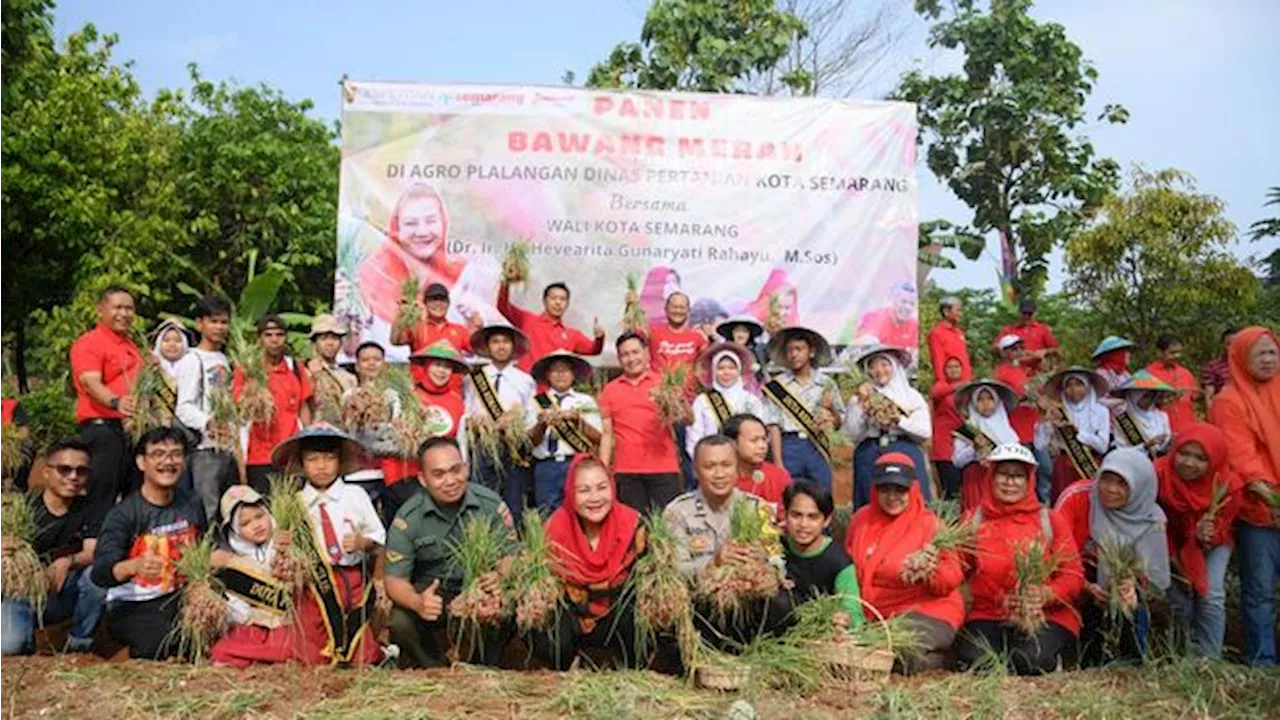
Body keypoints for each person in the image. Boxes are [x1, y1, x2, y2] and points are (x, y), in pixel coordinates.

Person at [385, 437, 516, 668]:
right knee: (399, 621)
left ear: (466, 468)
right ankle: (435, 668)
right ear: (423, 480)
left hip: (478, 589)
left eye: (456, 470)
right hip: (434, 593)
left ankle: (482, 667)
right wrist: (417, 602)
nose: (450, 481)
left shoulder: (490, 504)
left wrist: (500, 576)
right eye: (439, 474)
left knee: (507, 606)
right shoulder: (409, 517)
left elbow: (512, 554)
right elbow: (394, 580)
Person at [954, 444, 1084, 676]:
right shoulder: (973, 520)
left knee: (1030, 661)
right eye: (1003, 474)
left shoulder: (1049, 520)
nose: (1009, 482)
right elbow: (956, 569)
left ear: (1029, 481)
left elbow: (1073, 574)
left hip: (1045, 615)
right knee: (976, 662)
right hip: (989, 613)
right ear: (991, 477)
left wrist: (1045, 594)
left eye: (1018, 476)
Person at [271, 424, 384, 665]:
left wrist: (362, 542)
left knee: (362, 655)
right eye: (312, 459)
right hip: (313, 588)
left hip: (352, 582)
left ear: (340, 461)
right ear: (301, 464)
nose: (321, 466)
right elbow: (280, 552)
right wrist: (282, 544)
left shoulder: (356, 495)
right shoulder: (294, 503)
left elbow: (378, 537)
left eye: (329, 458)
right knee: (312, 653)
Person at [664, 435, 793, 647]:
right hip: (700, 605)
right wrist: (713, 564)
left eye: (726, 465)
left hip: (749, 603)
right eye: (710, 466)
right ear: (695, 471)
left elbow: (778, 564)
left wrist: (757, 569)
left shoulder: (757, 508)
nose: (719, 474)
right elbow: (674, 571)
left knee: (783, 603)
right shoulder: (677, 512)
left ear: (738, 469)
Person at [91, 426, 207, 660]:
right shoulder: (123, 514)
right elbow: (100, 573)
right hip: (134, 604)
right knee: (162, 641)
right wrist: (133, 566)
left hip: (179, 595)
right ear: (141, 462)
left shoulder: (192, 502)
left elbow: (204, 546)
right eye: (158, 454)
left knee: (213, 627)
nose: (168, 461)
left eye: (175, 454)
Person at [845, 454, 965, 674]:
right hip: (876, 615)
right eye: (884, 489)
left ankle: (943, 657)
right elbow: (847, 568)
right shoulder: (861, 521)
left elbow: (951, 580)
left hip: (926, 611)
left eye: (900, 490)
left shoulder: (931, 526)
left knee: (893, 651)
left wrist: (931, 571)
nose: (892, 497)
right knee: (859, 649)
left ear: (913, 489)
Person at [1208, 326, 1280, 666]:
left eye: (1272, 352)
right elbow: (1241, 458)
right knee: (1260, 591)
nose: (1268, 359)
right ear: (1239, 357)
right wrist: (1269, 494)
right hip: (1259, 511)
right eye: (1260, 353)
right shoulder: (1228, 401)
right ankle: (1262, 661)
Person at [533, 454, 646, 669]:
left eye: (602, 487)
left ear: (612, 488)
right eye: (584, 490)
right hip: (573, 619)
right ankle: (568, 662)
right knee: (542, 627)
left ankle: (626, 666)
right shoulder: (553, 530)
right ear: (570, 493)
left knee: (639, 615)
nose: (595, 498)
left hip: (617, 617)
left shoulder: (632, 525)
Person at [0, 439, 106, 655]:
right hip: (22, 593)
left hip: (63, 593)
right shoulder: (23, 506)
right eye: (64, 469)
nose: (73, 477)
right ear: (46, 472)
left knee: (97, 575)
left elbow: (92, 552)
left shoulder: (93, 508)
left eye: (81, 471)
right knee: (11, 647)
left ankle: (79, 643)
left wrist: (68, 561)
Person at [1067, 448, 1170, 666]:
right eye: (1106, 480)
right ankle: (1087, 659)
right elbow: (1057, 553)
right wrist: (1086, 586)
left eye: (1122, 484)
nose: (1110, 490)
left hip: (1120, 586)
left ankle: (1131, 661)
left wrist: (1132, 585)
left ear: (1139, 487)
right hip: (1079, 581)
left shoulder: (1151, 519)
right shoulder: (1079, 497)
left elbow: (1153, 578)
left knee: (1131, 606)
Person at [1155, 424, 1242, 660]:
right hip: (1166, 541)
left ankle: (1210, 660)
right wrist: (1175, 560)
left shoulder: (1228, 485)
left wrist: (1207, 535)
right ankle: (1183, 654)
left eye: (1200, 458)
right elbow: (1151, 521)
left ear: (1214, 459)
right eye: (1184, 453)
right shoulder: (1158, 474)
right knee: (1180, 600)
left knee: (1211, 593)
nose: (1189, 463)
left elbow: (1223, 526)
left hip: (1214, 543)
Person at [207, 486, 302, 668]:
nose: (256, 525)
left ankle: (264, 657)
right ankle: (265, 656)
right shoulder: (232, 561)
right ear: (234, 530)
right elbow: (237, 606)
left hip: (285, 623)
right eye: (245, 523)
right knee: (221, 651)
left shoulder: (285, 543)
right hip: (253, 624)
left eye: (260, 517)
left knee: (294, 644)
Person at [71, 286, 143, 521]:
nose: (124, 313)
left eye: (129, 308)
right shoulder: (90, 342)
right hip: (103, 428)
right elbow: (90, 381)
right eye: (117, 307)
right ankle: (94, 547)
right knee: (102, 494)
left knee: (135, 491)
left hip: (131, 429)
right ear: (100, 310)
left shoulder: (131, 345)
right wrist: (115, 402)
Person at [356, 184, 466, 328]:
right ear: (397, 227)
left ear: (443, 223)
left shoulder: (464, 275)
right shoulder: (373, 275)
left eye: (431, 221)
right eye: (410, 223)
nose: (422, 232)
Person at [599, 333, 684, 513]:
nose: (631, 359)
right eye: (625, 354)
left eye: (635, 352)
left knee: (669, 526)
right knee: (633, 529)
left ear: (646, 353)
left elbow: (687, 419)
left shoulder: (663, 384)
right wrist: (603, 469)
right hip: (626, 471)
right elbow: (606, 435)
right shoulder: (610, 390)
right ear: (619, 358)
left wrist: (677, 401)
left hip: (663, 468)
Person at [233, 315, 314, 494]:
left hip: (290, 454)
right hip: (259, 455)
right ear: (259, 338)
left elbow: (304, 407)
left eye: (279, 335)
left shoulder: (295, 368)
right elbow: (239, 407)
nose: (274, 340)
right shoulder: (248, 368)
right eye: (268, 335)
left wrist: (307, 443)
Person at [843, 345, 932, 507]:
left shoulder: (911, 396)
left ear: (894, 366)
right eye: (873, 366)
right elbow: (852, 433)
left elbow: (925, 432)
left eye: (884, 364)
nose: (879, 370)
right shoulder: (858, 399)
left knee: (911, 500)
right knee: (870, 501)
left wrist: (898, 420)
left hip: (904, 448)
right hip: (870, 452)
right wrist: (862, 406)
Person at [466, 323, 536, 526]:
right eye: (495, 341)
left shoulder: (525, 380)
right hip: (482, 445)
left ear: (513, 347)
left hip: (512, 447)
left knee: (513, 500)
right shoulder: (473, 378)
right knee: (481, 498)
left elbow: (530, 416)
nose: (501, 346)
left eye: (505, 341)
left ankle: (511, 548)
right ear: (488, 347)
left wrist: (515, 424)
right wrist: (476, 422)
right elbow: (466, 410)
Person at [175, 296, 237, 523]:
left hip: (227, 447)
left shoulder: (226, 359)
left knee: (227, 510)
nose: (220, 327)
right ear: (200, 323)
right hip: (205, 449)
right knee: (207, 508)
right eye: (214, 321)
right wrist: (208, 423)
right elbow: (184, 406)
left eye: (224, 322)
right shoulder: (192, 360)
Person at [762, 327, 844, 490]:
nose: (794, 354)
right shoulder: (778, 386)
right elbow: (773, 425)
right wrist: (778, 461)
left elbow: (839, 423)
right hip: (789, 445)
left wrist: (831, 410)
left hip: (817, 446)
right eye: (790, 350)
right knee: (788, 493)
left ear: (811, 352)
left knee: (822, 493)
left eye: (799, 349)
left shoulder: (826, 383)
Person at [782, 480, 864, 629]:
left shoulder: (839, 562)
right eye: (796, 515)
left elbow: (854, 612)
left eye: (812, 517)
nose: (803, 524)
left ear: (826, 520)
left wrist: (845, 619)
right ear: (785, 515)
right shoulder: (774, 548)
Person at [527, 351, 600, 513]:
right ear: (548, 375)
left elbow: (598, 438)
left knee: (577, 513)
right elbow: (530, 441)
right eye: (555, 370)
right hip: (546, 466)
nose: (560, 374)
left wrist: (577, 421)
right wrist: (541, 425)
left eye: (565, 370)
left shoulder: (585, 401)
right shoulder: (537, 402)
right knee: (546, 516)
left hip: (575, 463)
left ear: (573, 374)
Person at [1034, 368, 1111, 505]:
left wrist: (1078, 433)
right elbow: (1039, 444)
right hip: (1064, 467)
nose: (1073, 389)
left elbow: (1103, 446)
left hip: (1090, 463)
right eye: (1069, 385)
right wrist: (1045, 422)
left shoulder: (1101, 411)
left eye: (1078, 384)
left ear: (1087, 386)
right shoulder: (1058, 411)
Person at [496, 281, 605, 372]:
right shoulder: (528, 320)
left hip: (554, 392)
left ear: (567, 304)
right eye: (553, 298)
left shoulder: (573, 335)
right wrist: (506, 281)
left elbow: (593, 350)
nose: (558, 302)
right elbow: (503, 307)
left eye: (562, 299)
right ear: (544, 300)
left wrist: (599, 337)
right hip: (527, 388)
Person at [951, 379, 1020, 511]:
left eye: (989, 399)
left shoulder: (1008, 432)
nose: (985, 404)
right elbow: (957, 461)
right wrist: (974, 449)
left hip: (1002, 481)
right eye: (980, 400)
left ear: (997, 402)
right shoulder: (967, 430)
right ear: (974, 403)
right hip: (975, 480)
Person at [686, 343, 764, 458]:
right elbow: (694, 434)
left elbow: (759, 433)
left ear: (739, 371)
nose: (726, 372)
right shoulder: (702, 400)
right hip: (713, 459)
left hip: (744, 461)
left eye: (731, 368)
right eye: (721, 368)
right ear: (713, 371)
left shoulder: (751, 399)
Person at [723, 413, 792, 511]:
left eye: (764, 439)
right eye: (754, 440)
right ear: (733, 443)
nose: (762, 446)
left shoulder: (779, 477)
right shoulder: (720, 477)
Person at [389, 282, 473, 360]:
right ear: (425, 303)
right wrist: (400, 314)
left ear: (448, 304)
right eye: (433, 299)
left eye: (442, 300)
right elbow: (395, 341)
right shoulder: (417, 327)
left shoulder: (460, 330)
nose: (438, 304)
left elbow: (477, 349)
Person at [307, 314, 358, 426]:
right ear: (314, 343)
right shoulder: (306, 373)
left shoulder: (349, 378)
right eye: (324, 338)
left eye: (334, 338)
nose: (330, 343)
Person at [1109, 371, 1175, 457]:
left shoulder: (1161, 416)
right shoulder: (1122, 420)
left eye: (1152, 396)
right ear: (1134, 397)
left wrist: (1168, 443)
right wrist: (1146, 446)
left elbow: (1165, 444)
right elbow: (1121, 451)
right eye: (1146, 397)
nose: (1150, 400)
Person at [1145, 335, 1200, 435]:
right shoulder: (1148, 374)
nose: (1177, 356)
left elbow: (1195, 399)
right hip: (1160, 429)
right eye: (1172, 353)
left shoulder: (1185, 373)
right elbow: (1142, 404)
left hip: (1187, 427)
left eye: (1179, 352)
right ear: (1160, 352)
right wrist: (1167, 396)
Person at [929, 357, 966, 500]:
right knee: (950, 489)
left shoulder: (967, 390)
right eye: (950, 367)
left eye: (957, 366)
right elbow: (935, 393)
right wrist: (958, 386)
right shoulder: (941, 388)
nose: (954, 369)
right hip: (945, 447)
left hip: (964, 445)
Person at [646, 292, 709, 373]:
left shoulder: (698, 336)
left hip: (690, 385)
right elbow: (631, 336)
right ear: (666, 309)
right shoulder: (652, 333)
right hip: (659, 385)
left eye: (682, 307)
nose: (678, 311)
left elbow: (707, 364)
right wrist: (630, 306)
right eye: (674, 307)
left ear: (688, 311)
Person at [852, 282, 919, 352]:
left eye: (912, 304)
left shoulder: (915, 325)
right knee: (871, 341)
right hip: (872, 357)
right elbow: (856, 346)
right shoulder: (873, 316)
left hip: (897, 359)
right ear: (894, 300)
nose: (907, 307)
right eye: (903, 302)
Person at [998, 299, 1059, 375]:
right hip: (1016, 371)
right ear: (1019, 313)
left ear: (1035, 314)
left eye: (1029, 314)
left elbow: (1056, 349)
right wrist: (1023, 353)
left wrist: (1045, 351)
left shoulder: (1043, 329)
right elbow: (996, 348)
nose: (1026, 316)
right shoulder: (1008, 330)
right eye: (1024, 313)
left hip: (1038, 372)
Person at [149, 318, 189, 430]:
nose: (172, 345)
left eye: (178, 341)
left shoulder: (192, 368)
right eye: (166, 340)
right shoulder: (149, 369)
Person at [926, 296, 971, 383]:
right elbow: (938, 361)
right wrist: (944, 386)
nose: (960, 314)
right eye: (958, 310)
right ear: (946, 312)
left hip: (966, 382)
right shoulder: (936, 333)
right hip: (951, 385)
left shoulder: (959, 332)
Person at [715, 314, 767, 380]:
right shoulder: (723, 351)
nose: (741, 335)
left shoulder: (758, 352)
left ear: (749, 335)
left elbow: (762, 376)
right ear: (732, 333)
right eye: (737, 331)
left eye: (744, 332)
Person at [1200, 327, 1235, 406]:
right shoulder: (1212, 367)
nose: (1232, 347)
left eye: (1236, 344)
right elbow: (1209, 397)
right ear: (1222, 345)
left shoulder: (1249, 365)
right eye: (1228, 344)